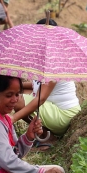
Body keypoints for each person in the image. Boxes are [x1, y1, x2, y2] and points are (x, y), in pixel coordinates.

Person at [0, 73, 65, 173]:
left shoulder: (3, 118)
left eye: (17, 94)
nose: (14, 100)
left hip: (2, 172)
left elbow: (15, 153)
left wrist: (29, 137)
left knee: (58, 171)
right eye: (9, 95)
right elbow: (9, 162)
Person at [11, 18, 80, 147]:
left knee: (18, 101)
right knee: (19, 92)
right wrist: (13, 87)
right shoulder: (49, 56)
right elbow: (36, 86)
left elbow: (41, 98)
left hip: (64, 115)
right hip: (58, 110)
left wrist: (13, 119)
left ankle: (47, 137)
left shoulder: (54, 62)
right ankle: (44, 133)